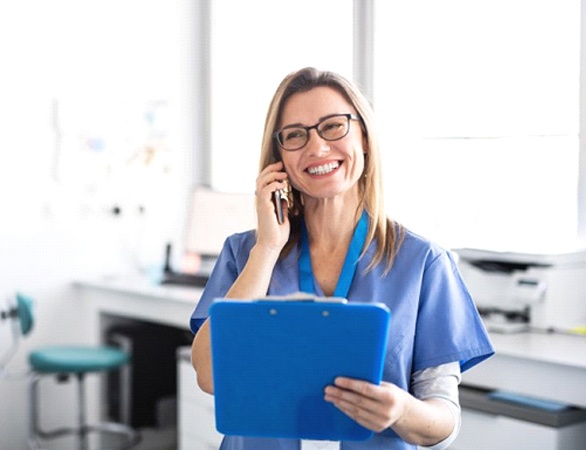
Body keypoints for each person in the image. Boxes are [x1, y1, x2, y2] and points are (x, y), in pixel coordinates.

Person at [190, 67, 494, 450]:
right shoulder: (245, 254)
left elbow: (444, 422)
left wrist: (400, 410)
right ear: (278, 157)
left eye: (333, 126)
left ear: (364, 137)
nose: (316, 148)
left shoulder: (423, 263)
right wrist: (267, 248)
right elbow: (209, 375)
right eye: (296, 135)